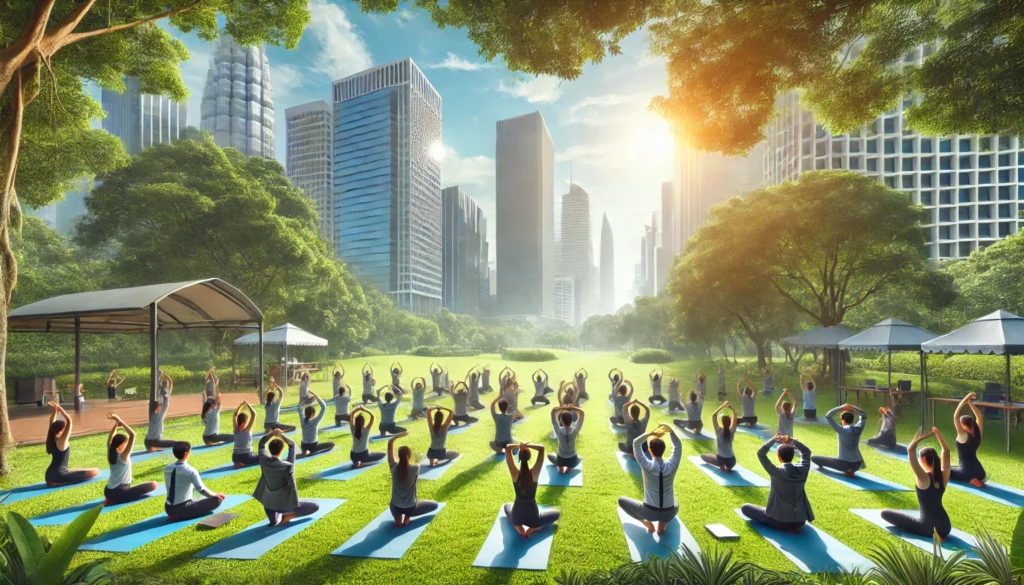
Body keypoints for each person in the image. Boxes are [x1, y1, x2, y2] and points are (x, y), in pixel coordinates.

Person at [880, 428, 952, 538]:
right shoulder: (943, 476)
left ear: (923, 459)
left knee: (884, 513)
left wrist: (919, 438)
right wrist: (937, 432)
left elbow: (910, 450)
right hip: (945, 527)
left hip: (928, 528)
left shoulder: (923, 478)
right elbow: (946, 451)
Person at [618, 425, 682, 535]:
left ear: (649, 450)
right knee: (676, 503)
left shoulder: (647, 466)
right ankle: (662, 525)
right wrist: (671, 431)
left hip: (648, 513)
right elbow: (678, 446)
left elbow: (636, 444)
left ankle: (647, 524)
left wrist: (651, 433)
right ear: (664, 450)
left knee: (621, 500)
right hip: (669, 513)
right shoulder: (672, 465)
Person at [741, 434, 814, 531]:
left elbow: (760, 453)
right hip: (800, 522)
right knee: (763, 509)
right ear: (792, 456)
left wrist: (773, 440)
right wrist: (790, 440)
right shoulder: (803, 470)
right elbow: (806, 452)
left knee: (745, 507)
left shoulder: (776, 472)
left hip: (779, 522)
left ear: (779, 457)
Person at [254, 429, 320, 526]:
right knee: (315, 507)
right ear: (281, 450)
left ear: (270, 449)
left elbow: (262, 442)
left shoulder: (263, 461)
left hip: (268, 506)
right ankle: (290, 515)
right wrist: (281, 435)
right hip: (284, 506)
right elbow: (292, 445)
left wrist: (272, 433)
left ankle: (277, 517)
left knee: (273, 522)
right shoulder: (288, 465)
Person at [503, 443, 560, 537]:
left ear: (519, 457)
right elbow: (541, 448)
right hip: (533, 516)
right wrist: (527, 445)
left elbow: (508, 448)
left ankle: (519, 529)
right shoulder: (535, 473)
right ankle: (534, 528)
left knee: (507, 506)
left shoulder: (515, 474)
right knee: (557, 513)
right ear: (529, 456)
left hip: (516, 515)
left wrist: (519, 445)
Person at [386, 432, 440, 526]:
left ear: (398, 456)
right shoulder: (415, 468)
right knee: (434, 504)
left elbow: (390, 444)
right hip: (410, 507)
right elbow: (408, 465)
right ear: (409, 456)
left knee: (397, 519)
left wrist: (396, 437)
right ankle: (407, 517)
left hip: (395, 507)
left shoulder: (393, 468)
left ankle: (398, 520)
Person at [104, 414, 158, 505]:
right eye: (125, 443)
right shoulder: (123, 456)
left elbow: (110, 439)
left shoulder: (110, 451)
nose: (126, 445)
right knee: (154, 484)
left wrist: (117, 423)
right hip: (120, 492)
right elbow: (133, 434)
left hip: (108, 491)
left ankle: (111, 499)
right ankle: (116, 499)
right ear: (120, 445)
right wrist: (121, 421)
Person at [164, 442, 226, 520]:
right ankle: (180, 514)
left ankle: (174, 514)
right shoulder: (190, 470)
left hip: (168, 508)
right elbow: (201, 489)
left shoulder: (166, 469)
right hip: (183, 509)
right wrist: (215, 495)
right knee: (217, 501)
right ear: (186, 453)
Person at [43, 401, 99, 487]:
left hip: (50, 474)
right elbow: (70, 421)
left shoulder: (52, 437)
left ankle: (55, 481)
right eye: (64, 429)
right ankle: (59, 484)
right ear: (61, 430)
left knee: (78, 469)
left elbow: (51, 422)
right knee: (95, 471)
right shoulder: (62, 441)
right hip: (59, 475)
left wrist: (55, 410)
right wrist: (62, 411)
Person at [811, 404, 867, 477]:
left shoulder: (841, 429)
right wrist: (852, 407)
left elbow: (828, 416)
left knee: (814, 458)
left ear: (843, 421)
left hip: (843, 464)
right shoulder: (859, 428)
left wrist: (842, 407)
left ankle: (848, 469)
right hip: (858, 464)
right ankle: (850, 470)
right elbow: (864, 414)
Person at [949, 393, 986, 487]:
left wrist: (966, 398)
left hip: (966, 472)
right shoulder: (977, 434)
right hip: (980, 472)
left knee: (943, 470)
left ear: (964, 425)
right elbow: (979, 417)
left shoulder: (962, 435)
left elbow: (955, 416)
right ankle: (975, 478)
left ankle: (971, 479)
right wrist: (970, 402)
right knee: (953, 467)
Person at [145, 371, 180, 451]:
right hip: (154, 442)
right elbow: (162, 385)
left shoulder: (154, 414)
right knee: (178, 444)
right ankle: (155, 448)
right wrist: (161, 375)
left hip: (148, 441)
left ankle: (154, 447)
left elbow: (168, 383)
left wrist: (159, 375)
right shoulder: (159, 413)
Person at [700, 402, 737, 472]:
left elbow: (714, 415)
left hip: (721, 459)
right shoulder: (732, 431)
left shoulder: (718, 430)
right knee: (725, 467)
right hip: (732, 461)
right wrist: (731, 408)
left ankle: (721, 465)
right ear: (730, 423)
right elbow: (735, 416)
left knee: (703, 456)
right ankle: (726, 467)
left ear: (722, 422)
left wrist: (722, 406)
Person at [549, 405, 584, 472]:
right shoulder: (576, 430)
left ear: (562, 421)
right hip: (572, 459)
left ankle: (560, 468)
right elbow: (582, 413)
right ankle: (569, 468)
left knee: (549, 456)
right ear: (571, 420)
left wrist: (562, 408)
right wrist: (571, 408)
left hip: (561, 459)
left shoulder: (558, 430)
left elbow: (552, 413)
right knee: (579, 458)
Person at [299, 391, 334, 457]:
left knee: (305, 447)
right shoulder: (315, 421)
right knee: (331, 444)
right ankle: (310, 451)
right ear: (313, 414)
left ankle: (305, 451)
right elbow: (324, 406)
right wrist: (314, 394)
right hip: (313, 446)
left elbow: (300, 408)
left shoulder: (302, 420)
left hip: (303, 445)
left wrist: (304, 401)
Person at [232, 401, 260, 468]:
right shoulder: (247, 430)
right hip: (247, 457)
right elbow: (254, 414)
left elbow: (235, 415)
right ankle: (245, 464)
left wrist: (241, 405)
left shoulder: (235, 429)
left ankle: (239, 463)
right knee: (264, 455)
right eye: (246, 421)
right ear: (244, 422)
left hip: (235, 458)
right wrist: (248, 404)